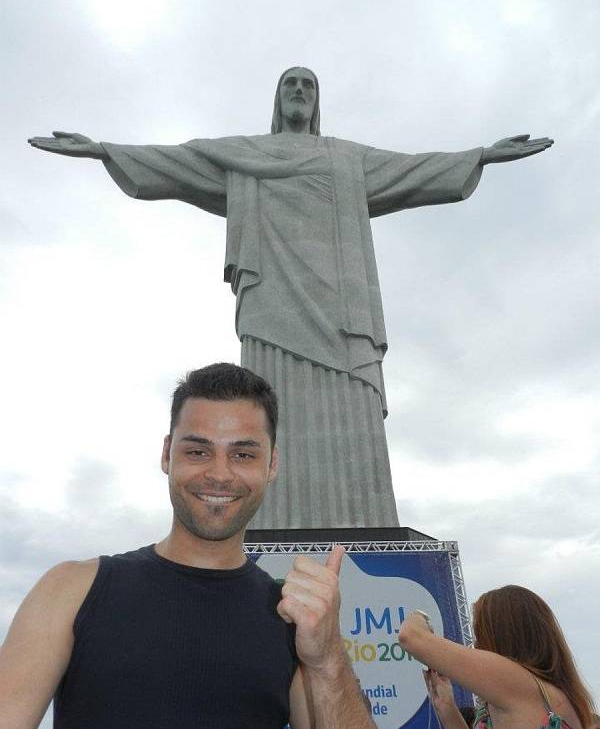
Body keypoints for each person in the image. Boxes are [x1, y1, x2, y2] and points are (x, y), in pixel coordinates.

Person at [28, 68, 553, 530]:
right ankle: (273, 525)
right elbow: (177, 163)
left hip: (342, 311)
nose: (299, 92)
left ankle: (363, 523)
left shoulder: (346, 158)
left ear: (316, 101)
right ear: (278, 99)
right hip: (272, 305)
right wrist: (102, 149)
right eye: (290, 84)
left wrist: (481, 155)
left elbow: (413, 169)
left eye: (307, 85)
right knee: (268, 402)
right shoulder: (244, 155)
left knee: (350, 405)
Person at [0, 363, 390, 729]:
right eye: (198, 451)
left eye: (243, 454)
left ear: (272, 464)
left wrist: (327, 658)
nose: (220, 474)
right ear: (167, 454)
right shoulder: (72, 590)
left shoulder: (293, 621)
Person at [398, 585, 596, 729]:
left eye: (479, 634)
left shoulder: (523, 684)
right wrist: (447, 707)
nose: (475, 644)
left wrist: (418, 616)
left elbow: (411, 636)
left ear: (503, 637)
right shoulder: (520, 701)